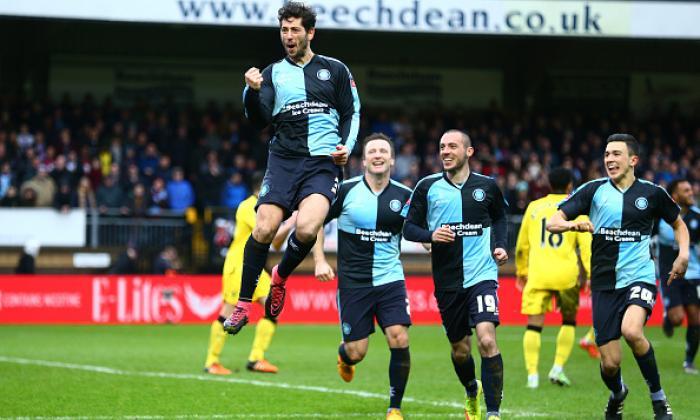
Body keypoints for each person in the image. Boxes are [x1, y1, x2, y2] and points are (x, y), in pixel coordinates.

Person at [224, 2, 360, 334]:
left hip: (322, 164)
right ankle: (243, 306)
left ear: (310, 32)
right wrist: (251, 93)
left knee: (307, 228)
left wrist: (346, 147)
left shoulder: (335, 70)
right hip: (284, 160)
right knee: (264, 228)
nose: (288, 36)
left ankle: (280, 278)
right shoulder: (271, 74)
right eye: (284, 30)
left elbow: (352, 112)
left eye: (295, 29)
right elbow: (258, 120)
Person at [547, 134, 688, 420]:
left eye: (616, 154)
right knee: (610, 364)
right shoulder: (593, 190)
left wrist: (683, 254)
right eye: (607, 154)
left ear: (633, 160)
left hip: (640, 276)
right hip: (604, 283)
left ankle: (659, 400)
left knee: (633, 331)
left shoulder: (652, 193)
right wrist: (573, 225)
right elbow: (553, 221)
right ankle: (617, 393)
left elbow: (678, 223)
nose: (609, 159)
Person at [402, 130, 508, 420]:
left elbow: (499, 217)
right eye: (441, 147)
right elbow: (408, 228)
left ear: (469, 151)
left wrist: (500, 246)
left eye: (452, 146)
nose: (445, 151)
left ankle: (494, 413)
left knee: (487, 339)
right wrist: (431, 234)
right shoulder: (427, 187)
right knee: (461, 350)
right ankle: (471, 389)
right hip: (448, 280)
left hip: (482, 274)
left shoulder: (487, 186)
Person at [313, 133, 412, 420]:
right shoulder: (345, 191)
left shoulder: (404, 196)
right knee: (357, 352)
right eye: (372, 151)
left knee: (399, 337)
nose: (378, 155)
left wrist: (433, 244)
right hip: (354, 283)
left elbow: (418, 230)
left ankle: (395, 407)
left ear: (392, 159)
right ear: (364, 159)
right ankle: (344, 356)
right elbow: (316, 221)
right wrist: (319, 260)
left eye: (383, 150)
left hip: (390, 279)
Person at [205, 172, 297, 374]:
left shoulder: (266, 207)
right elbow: (271, 237)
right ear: (264, 186)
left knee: (273, 309)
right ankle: (212, 362)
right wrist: (291, 222)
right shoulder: (248, 206)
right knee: (229, 311)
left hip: (254, 270)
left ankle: (256, 358)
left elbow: (276, 242)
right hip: (238, 266)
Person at [515, 167, 592, 388]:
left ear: (549, 184)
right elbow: (586, 247)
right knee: (568, 321)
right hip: (566, 275)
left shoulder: (534, 207)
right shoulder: (577, 208)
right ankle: (557, 368)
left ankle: (532, 376)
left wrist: (521, 270)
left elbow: (522, 246)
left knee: (533, 326)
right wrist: (591, 273)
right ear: (570, 185)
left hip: (538, 274)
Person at [654, 179, 700, 374]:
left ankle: (688, 361)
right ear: (675, 195)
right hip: (670, 274)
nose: (691, 192)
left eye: (691, 189)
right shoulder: (660, 217)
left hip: (695, 274)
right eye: (686, 190)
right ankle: (668, 318)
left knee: (696, 319)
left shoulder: (698, 216)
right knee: (677, 318)